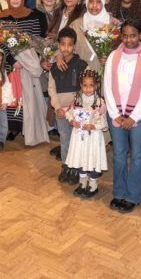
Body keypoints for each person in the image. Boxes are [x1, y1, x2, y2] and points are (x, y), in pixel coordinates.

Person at [104, 20, 141, 213]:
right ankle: (119, 192)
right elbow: (107, 87)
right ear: (121, 36)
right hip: (116, 116)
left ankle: (133, 195)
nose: (129, 39)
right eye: (125, 35)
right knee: (119, 156)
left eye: (133, 35)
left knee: (136, 156)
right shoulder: (113, 57)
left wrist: (133, 117)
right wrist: (115, 114)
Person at [0, 0, 49, 146]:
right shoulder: (2, 18)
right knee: (11, 97)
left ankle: (29, 130)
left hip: (30, 66)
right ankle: (12, 128)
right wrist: (13, 61)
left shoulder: (35, 16)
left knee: (28, 99)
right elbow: (1, 44)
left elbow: (38, 41)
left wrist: (27, 60)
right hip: (10, 65)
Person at [48, 28, 89, 184]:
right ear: (58, 45)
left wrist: (75, 107)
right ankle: (66, 165)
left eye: (69, 45)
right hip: (61, 112)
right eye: (63, 44)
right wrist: (57, 107)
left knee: (77, 139)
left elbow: (85, 88)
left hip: (77, 111)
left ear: (74, 46)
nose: (66, 48)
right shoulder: (54, 67)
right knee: (65, 139)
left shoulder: (81, 65)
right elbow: (51, 89)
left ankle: (76, 168)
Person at [64, 69, 109, 198]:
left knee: (93, 158)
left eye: (91, 86)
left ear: (96, 86)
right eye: (85, 86)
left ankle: (93, 184)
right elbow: (69, 112)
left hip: (93, 137)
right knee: (80, 157)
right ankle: (83, 182)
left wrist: (93, 125)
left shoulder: (100, 102)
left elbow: (104, 122)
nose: (88, 89)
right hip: (79, 136)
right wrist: (72, 121)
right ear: (81, 85)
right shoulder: (77, 100)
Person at [70, 0, 117, 73]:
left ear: (103, 3)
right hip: (81, 72)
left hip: (106, 72)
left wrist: (109, 57)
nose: (94, 5)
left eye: (98, 2)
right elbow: (67, 47)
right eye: (91, 1)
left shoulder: (112, 25)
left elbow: (119, 50)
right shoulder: (76, 25)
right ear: (86, 3)